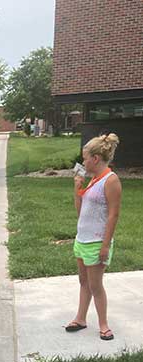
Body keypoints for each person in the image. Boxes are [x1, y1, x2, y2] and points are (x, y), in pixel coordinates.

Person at [65, 133, 122, 340]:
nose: (83, 162)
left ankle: (104, 325)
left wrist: (105, 246)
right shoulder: (92, 181)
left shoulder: (110, 180)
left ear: (95, 159)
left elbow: (114, 215)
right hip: (82, 240)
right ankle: (80, 318)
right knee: (83, 282)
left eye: (85, 158)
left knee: (96, 285)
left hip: (97, 242)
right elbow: (81, 212)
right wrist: (77, 189)